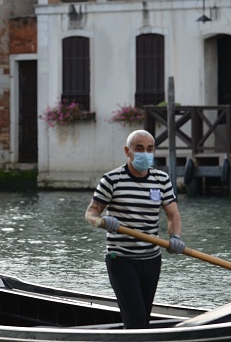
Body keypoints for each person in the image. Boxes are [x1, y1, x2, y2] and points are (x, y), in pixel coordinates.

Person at [84, 129, 184, 329]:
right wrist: (102, 221)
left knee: (143, 318)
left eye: (149, 149)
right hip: (121, 260)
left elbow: (173, 215)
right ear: (127, 151)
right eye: (139, 149)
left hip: (151, 260)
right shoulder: (112, 180)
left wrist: (175, 236)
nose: (145, 153)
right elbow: (91, 212)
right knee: (136, 321)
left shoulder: (161, 180)